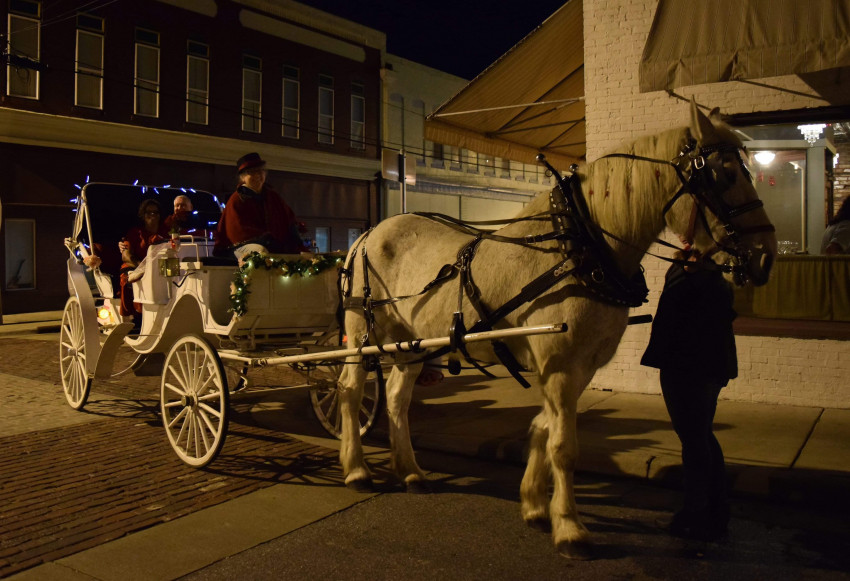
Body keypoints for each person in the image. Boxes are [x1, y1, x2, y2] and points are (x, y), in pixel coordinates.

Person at [641, 243, 737, 542]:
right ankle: (715, 508)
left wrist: (694, 271)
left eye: (693, 243)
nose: (685, 244)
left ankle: (696, 514)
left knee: (695, 441)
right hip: (687, 364)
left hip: (694, 368)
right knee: (701, 436)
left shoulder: (712, 278)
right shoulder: (685, 269)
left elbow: (714, 313)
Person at [214, 152, 308, 260]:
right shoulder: (237, 199)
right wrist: (267, 239)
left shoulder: (273, 197)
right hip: (239, 247)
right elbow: (239, 232)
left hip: (272, 244)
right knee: (260, 252)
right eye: (252, 172)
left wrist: (296, 243)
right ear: (243, 178)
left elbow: (288, 220)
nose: (258, 176)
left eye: (260, 171)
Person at [118, 198, 168, 318]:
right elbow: (126, 255)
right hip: (137, 265)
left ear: (159, 215)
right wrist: (143, 266)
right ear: (143, 215)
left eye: (155, 212)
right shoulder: (135, 232)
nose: (152, 215)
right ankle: (135, 315)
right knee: (130, 278)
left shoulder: (166, 232)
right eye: (148, 212)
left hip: (162, 266)